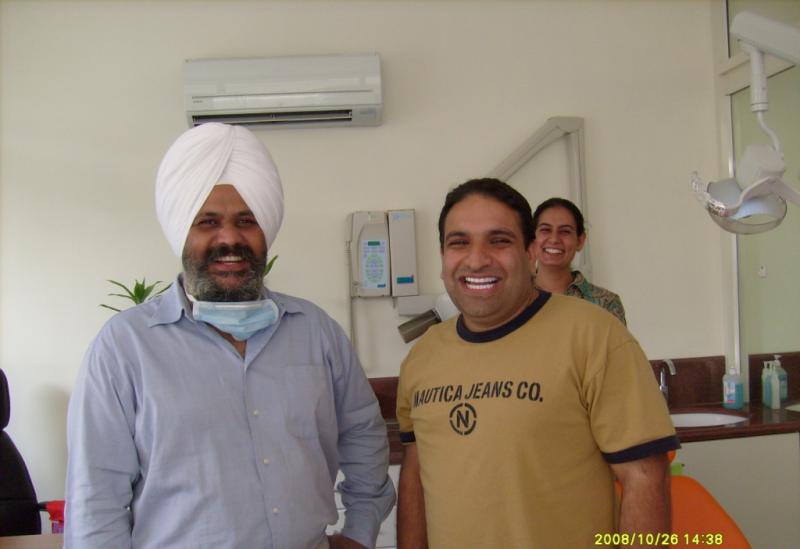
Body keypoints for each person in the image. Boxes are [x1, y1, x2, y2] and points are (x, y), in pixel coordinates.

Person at [65, 123, 395, 549]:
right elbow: (96, 500)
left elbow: (364, 437)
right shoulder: (125, 347)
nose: (230, 239)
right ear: (181, 230)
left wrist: (359, 533)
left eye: (246, 221)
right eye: (208, 222)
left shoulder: (316, 332)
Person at [396, 178, 678, 548]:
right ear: (443, 255)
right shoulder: (423, 357)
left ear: (530, 253)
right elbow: (415, 476)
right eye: (459, 242)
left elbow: (645, 477)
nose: (476, 259)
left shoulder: (594, 335)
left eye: (499, 241)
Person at [532, 197, 627, 324]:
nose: (554, 239)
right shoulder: (513, 298)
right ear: (532, 238)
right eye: (545, 230)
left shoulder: (607, 303)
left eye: (565, 231)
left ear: (580, 241)